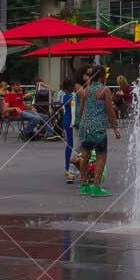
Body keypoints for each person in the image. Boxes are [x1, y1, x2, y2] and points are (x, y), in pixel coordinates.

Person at [74, 65, 120, 197]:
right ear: (101, 76)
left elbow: (81, 109)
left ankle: (84, 186)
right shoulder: (104, 90)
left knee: (85, 156)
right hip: (98, 128)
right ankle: (96, 187)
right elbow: (110, 111)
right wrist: (115, 128)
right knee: (101, 155)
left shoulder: (86, 90)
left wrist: (82, 123)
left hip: (85, 126)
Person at [57, 75, 79, 183]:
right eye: (72, 86)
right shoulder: (66, 96)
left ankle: (70, 168)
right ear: (68, 88)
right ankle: (67, 168)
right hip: (69, 122)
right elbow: (73, 104)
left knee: (71, 145)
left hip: (69, 122)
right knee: (70, 145)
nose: (73, 87)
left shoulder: (70, 95)